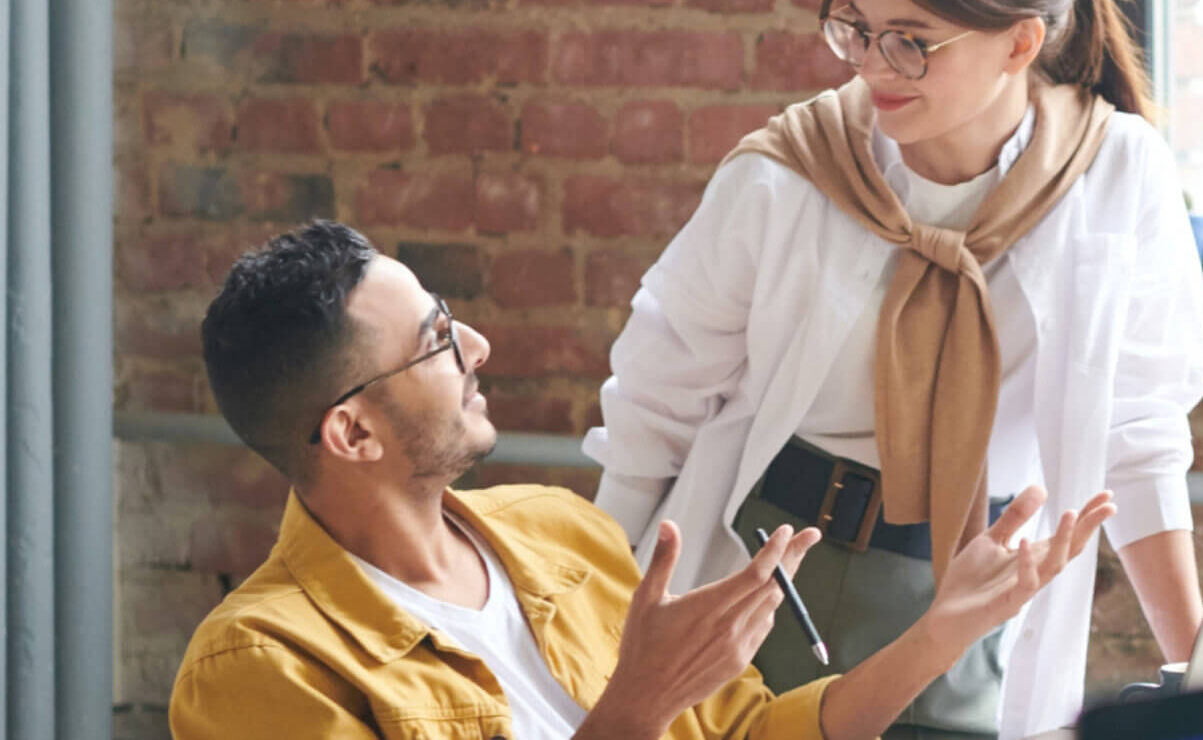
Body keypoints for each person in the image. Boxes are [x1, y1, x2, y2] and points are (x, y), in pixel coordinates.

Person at [582, 0, 1203, 739]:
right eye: (858, 29)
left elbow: (1138, 434)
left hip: (965, 591)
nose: (877, 66)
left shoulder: (1114, 174)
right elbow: (654, 408)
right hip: (759, 570)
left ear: (1021, 43)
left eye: (912, 40)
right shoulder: (790, 172)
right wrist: (590, 637)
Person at [169, 220, 1114, 740]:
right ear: (351, 430)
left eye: (450, 316)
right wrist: (636, 709)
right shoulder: (260, 667)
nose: (477, 347)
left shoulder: (559, 534)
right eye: (436, 341)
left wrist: (948, 626)